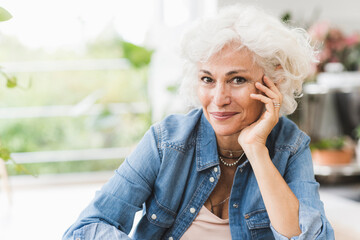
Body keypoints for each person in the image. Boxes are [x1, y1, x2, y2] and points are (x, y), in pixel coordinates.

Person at [63, 4, 334, 240]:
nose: (219, 98)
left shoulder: (290, 146)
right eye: (207, 79)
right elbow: (86, 228)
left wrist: (256, 150)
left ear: (273, 83)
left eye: (236, 79)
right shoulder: (166, 142)